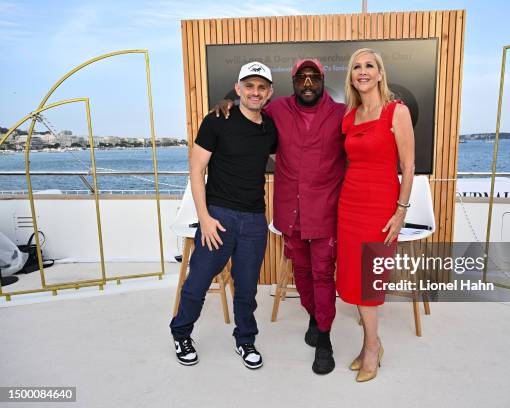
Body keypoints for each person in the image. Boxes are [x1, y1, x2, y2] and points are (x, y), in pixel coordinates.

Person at [214, 58, 345, 374]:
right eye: (303, 77)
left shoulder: (342, 114)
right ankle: (314, 315)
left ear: (323, 80)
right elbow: (249, 107)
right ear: (293, 82)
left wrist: (389, 102)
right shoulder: (278, 110)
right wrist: (226, 103)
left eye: (315, 77)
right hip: (291, 212)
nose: (309, 83)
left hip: (325, 211)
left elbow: (369, 121)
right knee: (302, 271)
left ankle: (324, 337)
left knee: (323, 273)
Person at [170, 62, 278, 369]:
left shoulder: (270, 127)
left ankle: (245, 340)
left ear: (269, 92)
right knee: (198, 282)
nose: (255, 92)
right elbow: (195, 168)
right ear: (238, 88)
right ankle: (181, 333)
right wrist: (203, 217)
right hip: (218, 217)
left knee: (247, 288)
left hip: (255, 220)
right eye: (249, 86)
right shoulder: (218, 119)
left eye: (261, 87)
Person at [337, 48, 415, 382]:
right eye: (357, 67)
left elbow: (409, 166)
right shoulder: (349, 117)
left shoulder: (397, 112)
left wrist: (401, 211)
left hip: (381, 207)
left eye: (370, 66)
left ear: (380, 73)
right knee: (354, 277)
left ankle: (371, 348)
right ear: (352, 76)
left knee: (370, 281)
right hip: (349, 204)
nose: (363, 71)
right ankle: (373, 343)